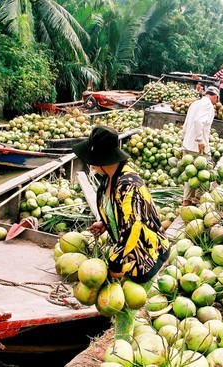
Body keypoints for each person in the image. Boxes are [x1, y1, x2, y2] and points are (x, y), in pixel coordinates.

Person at [72, 125, 170, 339]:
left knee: (125, 307)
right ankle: (125, 339)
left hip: (146, 252)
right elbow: (121, 214)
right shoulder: (109, 179)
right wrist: (105, 224)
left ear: (99, 159)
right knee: (124, 302)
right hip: (128, 252)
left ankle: (121, 348)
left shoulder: (129, 185)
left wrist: (116, 264)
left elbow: (133, 228)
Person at [181, 86, 219, 206]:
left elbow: (186, 123)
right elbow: (198, 121)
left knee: (190, 174)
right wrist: (200, 140)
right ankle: (199, 199)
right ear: (214, 96)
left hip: (187, 144)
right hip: (198, 146)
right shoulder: (208, 105)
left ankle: (187, 200)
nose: (216, 102)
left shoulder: (195, 103)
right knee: (207, 172)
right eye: (217, 99)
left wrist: (184, 138)